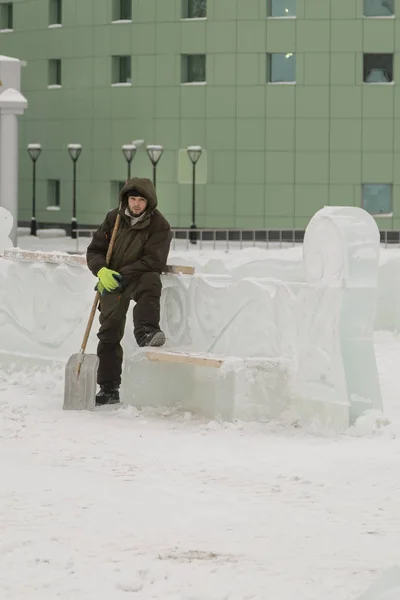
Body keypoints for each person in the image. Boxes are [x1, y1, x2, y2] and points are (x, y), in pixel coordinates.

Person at [86, 177, 172, 405]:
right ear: (126, 199)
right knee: (109, 331)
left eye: (141, 200)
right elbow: (95, 250)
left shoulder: (159, 225)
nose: (136, 204)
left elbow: (154, 261)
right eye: (132, 199)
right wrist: (102, 271)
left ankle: (147, 331)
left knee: (151, 281)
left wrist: (120, 275)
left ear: (149, 202)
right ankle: (109, 388)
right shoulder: (113, 218)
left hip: (136, 277)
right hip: (112, 281)